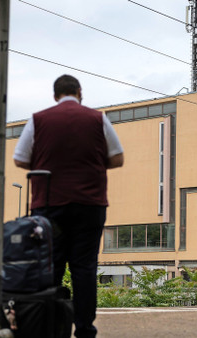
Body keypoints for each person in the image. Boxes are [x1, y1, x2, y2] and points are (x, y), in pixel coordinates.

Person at [13, 74, 124, 337]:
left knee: (50, 266)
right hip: (90, 203)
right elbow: (118, 157)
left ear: (55, 96)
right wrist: (91, 165)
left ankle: (48, 327)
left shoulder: (38, 119)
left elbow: (19, 159)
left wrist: (47, 164)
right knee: (84, 267)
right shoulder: (98, 119)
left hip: (48, 203)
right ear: (79, 92)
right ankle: (85, 329)